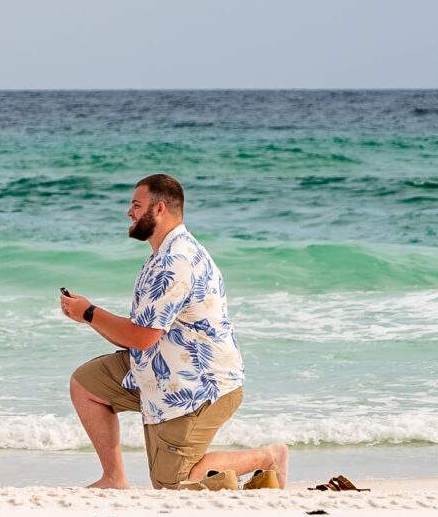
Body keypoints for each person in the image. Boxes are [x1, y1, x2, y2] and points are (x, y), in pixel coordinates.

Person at [60, 174, 288, 490]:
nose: (130, 212)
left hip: (198, 385)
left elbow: (142, 337)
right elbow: (136, 335)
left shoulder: (175, 261)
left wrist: (89, 312)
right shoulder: (159, 257)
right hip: (159, 371)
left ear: (160, 209)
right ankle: (114, 479)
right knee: (87, 385)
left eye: (137, 205)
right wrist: (88, 318)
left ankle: (269, 457)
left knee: (172, 485)